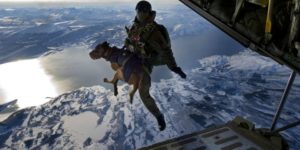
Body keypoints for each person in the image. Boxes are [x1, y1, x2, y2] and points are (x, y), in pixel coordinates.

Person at [123, 0, 187, 131]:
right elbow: (131, 40)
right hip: (138, 60)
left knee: (142, 91)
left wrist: (174, 67)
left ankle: (159, 116)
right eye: (139, 10)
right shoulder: (135, 27)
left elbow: (165, 51)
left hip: (147, 61)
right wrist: (127, 44)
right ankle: (158, 115)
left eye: (143, 11)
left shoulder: (154, 31)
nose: (141, 13)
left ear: (148, 12)